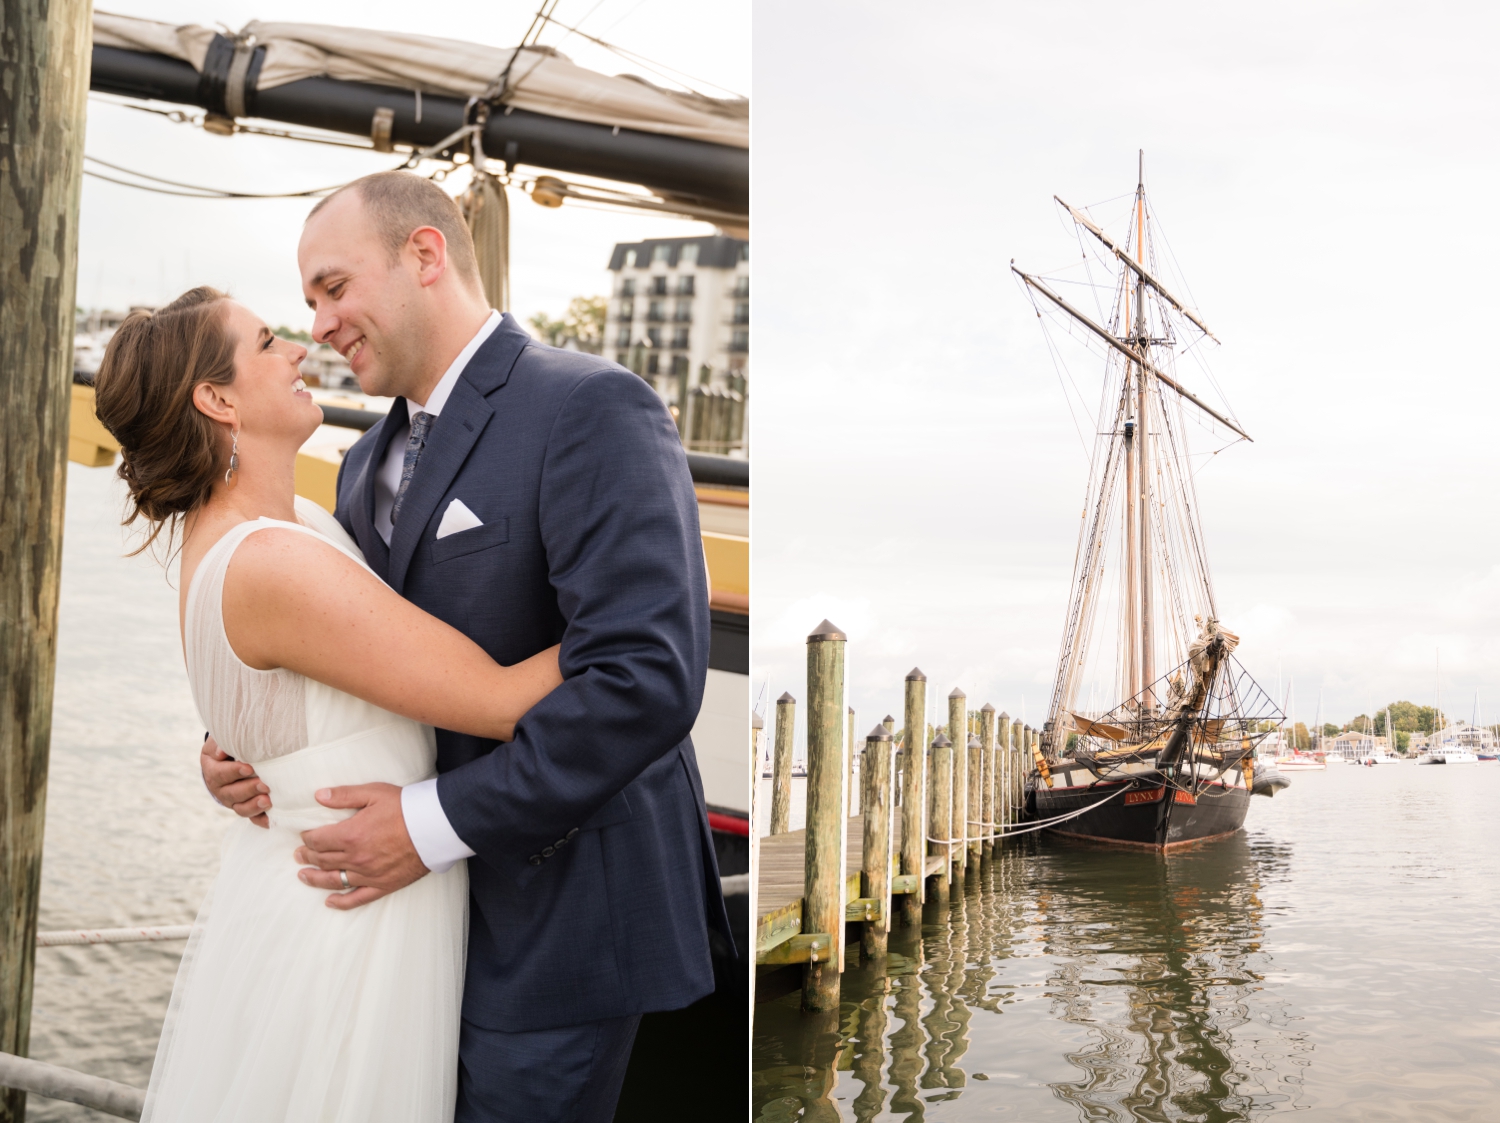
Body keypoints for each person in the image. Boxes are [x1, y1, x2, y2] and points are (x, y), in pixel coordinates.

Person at [201, 170, 730, 1121]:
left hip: (558, 928)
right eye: (309, 300)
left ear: (426, 255)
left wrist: (427, 824)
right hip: (404, 935)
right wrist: (249, 746)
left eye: (333, 287)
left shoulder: (592, 406)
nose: (318, 324)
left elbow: (644, 675)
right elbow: (360, 658)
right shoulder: (363, 462)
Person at [92, 286, 565, 1121]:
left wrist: (234, 746)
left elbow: (289, 687)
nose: (297, 350)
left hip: (330, 884)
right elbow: (496, 701)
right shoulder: (274, 558)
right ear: (218, 398)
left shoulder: (297, 520)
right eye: (268, 341)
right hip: (348, 918)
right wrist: (644, 613)